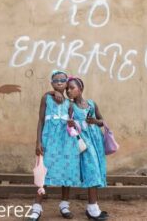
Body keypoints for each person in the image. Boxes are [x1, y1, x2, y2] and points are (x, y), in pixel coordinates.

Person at [29, 70, 81, 220]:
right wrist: (38, 141)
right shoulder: (46, 98)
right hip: (49, 140)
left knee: (67, 171)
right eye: (56, 80)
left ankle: (64, 206)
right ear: (51, 83)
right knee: (43, 172)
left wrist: (72, 122)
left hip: (66, 142)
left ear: (66, 84)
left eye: (62, 80)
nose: (59, 82)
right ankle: (37, 208)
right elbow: (41, 120)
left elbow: (75, 123)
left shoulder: (69, 103)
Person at [66, 77, 109, 221]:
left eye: (72, 88)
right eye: (67, 89)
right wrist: (71, 124)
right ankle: (92, 209)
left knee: (97, 170)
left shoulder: (91, 104)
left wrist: (95, 121)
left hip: (96, 142)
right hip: (84, 143)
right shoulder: (70, 107)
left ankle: (93, 208)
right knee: (92, 172)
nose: (69, 91)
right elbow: (66, 125)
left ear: (81, 89)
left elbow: (102, 121)